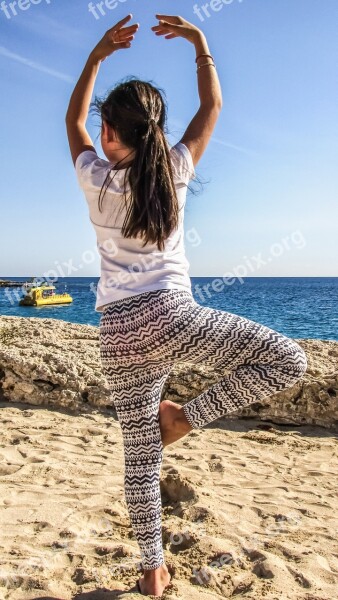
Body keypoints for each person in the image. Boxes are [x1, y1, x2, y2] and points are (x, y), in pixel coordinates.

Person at [65, 13, 308, 598]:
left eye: (105, 128)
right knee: (289, 360)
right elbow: (212, 109)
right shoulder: (173, 169)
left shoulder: (94, 177)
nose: (99, 134)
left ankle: (152, 567)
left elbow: (70, 118)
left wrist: (97, 55)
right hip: (173, 318)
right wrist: (201, 44)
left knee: (139, 453)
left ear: (112, 133)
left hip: (117, 332)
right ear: (154, 132)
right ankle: (184, 419)